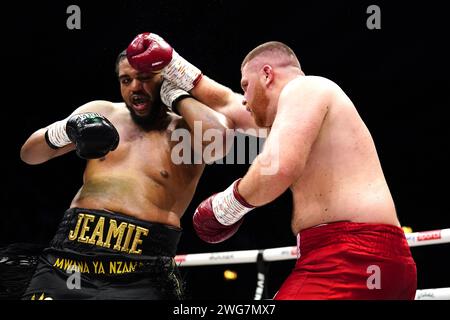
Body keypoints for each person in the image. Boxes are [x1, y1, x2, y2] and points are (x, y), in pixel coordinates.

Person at [126, 33, 417, 299]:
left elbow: (278, 167)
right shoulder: (301, 111)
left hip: (350, 257)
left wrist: (228, 206)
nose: (246, 100)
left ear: (267, 74)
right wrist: (172, 64)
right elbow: (227, 104)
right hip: (370, 259)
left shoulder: (305, 87)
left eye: (246, 86)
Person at [15, 49, 245, 300]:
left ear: (164, 79)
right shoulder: (103, 113)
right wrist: (66, 130)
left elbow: (220, 140)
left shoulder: (184, 131)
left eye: (145, 78)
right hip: (70, 253)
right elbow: (30, 154)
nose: (135, 87)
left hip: (141, 267)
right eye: (126, 80)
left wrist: (176, 95)